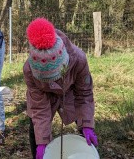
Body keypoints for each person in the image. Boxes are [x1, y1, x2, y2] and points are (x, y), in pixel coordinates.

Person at [23, 18, 98, 159]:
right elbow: (39, 108)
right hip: (44, 97)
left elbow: (84, 94)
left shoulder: (79, 60)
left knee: (84, 124)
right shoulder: (28, 70)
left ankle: (86, 149)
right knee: (35, 128)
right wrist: (42, 141)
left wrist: (87, 124)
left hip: (70, 93)